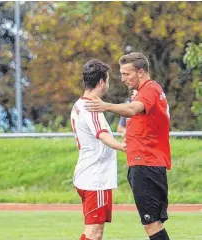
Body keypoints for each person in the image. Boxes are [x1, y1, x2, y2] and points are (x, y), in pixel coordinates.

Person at [85, 52, 171, 240]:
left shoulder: (149, 90)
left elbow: (132, 110)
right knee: (152, 222)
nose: (123, 79)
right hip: (144, 163)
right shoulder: (146, 91)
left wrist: (105, 106)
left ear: (140, 72)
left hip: (146, 163)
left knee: (152, 224)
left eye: (127, 74)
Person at [70, 59, 126, 240]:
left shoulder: (79, 104)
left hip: (88, 174)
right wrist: (124, 147)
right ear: (101, 82)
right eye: (107, 80)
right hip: (96, 177)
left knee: (94, 231)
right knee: (94, 232)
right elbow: (102, 135)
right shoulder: (91, 107)